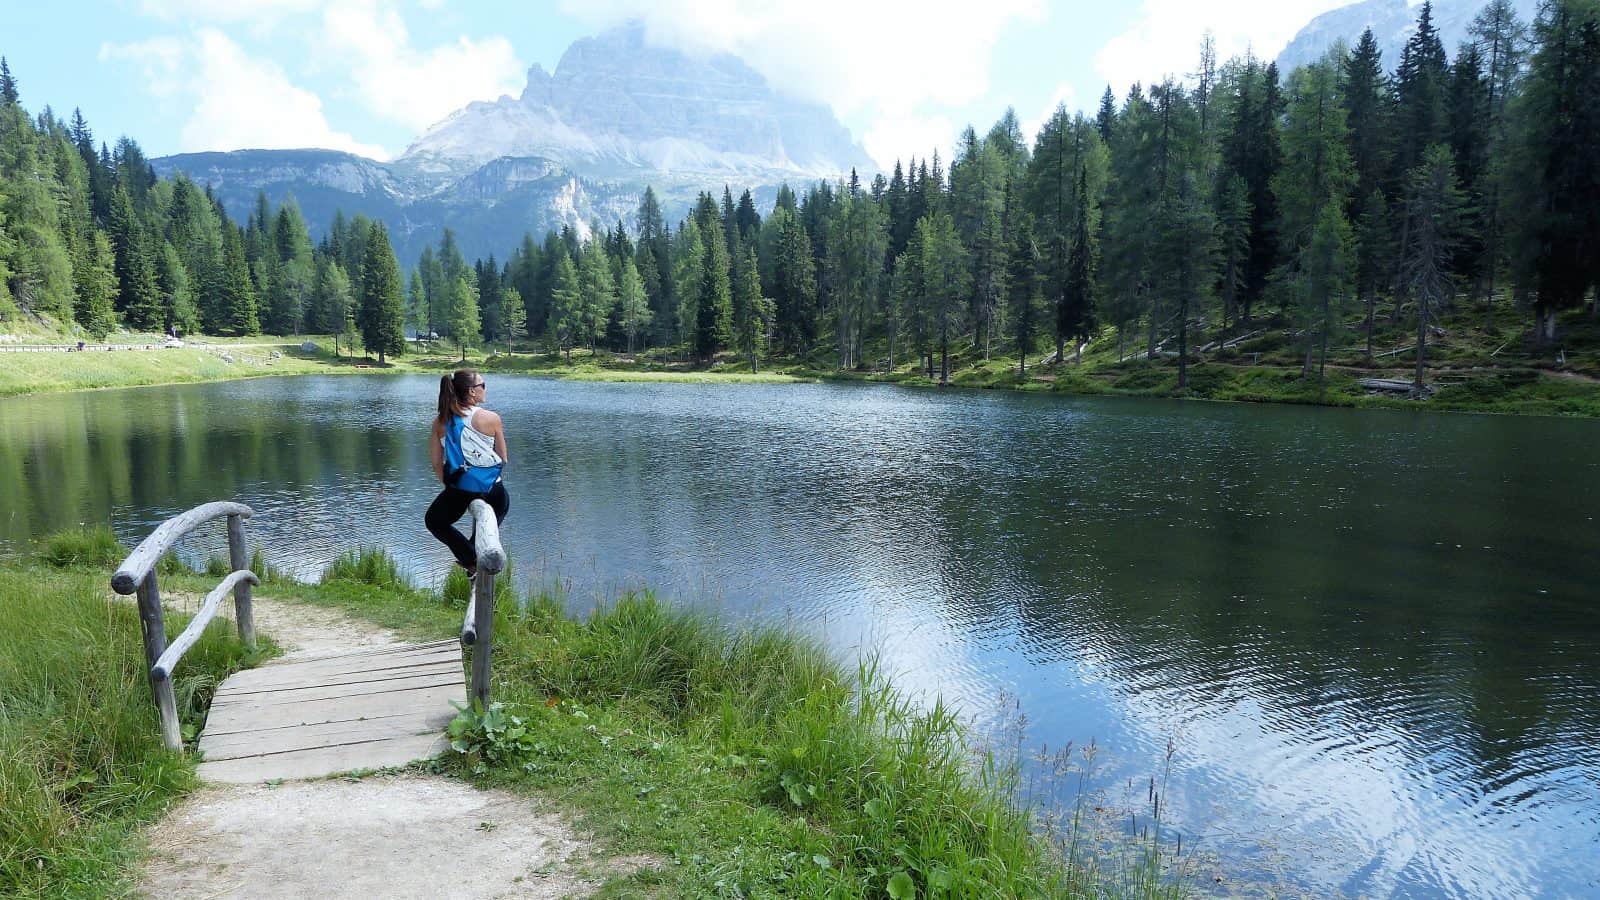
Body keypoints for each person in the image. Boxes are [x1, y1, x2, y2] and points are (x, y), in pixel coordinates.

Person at [426, 370, 509, 579]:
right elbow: (503, 459)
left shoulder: (441, 421)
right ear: (472, 391)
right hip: (492, 490)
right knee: (499, 509)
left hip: (460, 489)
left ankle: (470, 560)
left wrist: (453, 485)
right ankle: (477, 562)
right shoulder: (492, 418)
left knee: (434, 521)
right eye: (483, 385)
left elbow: (437, 463)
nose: (485, 388)